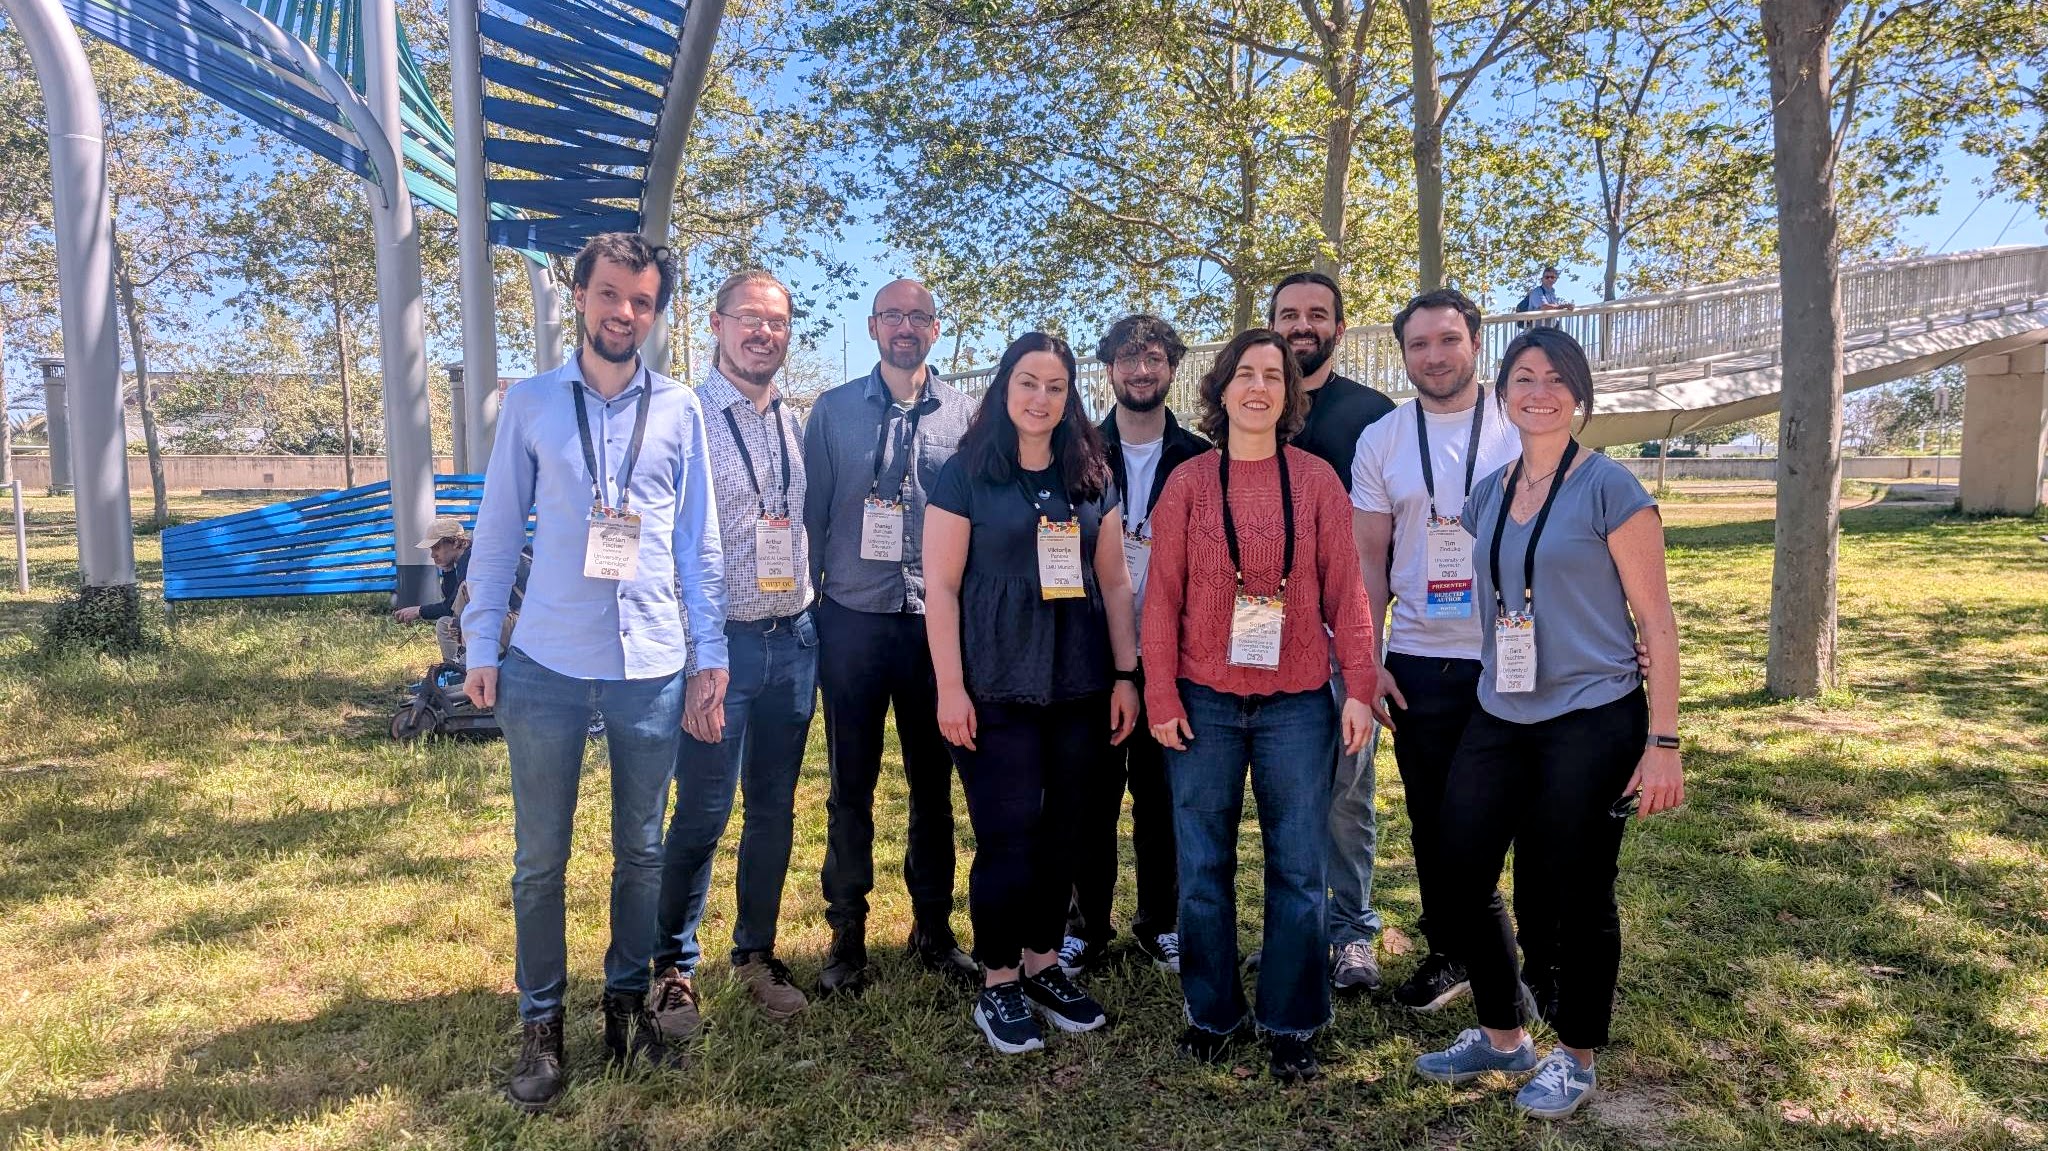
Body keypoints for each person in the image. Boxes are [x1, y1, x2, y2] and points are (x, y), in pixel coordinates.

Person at [461, 233, 726, 1112]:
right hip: (547, 663)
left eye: (642, 301)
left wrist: (709, 656)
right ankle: (542, 1021)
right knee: (540, 859)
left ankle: (624, 1003)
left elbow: (700, 547)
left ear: (656, 312)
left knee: (641, 851)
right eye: (610, 294)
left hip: (650, 662)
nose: (624, 313)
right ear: (581, 296)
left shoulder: (681, 407)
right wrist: (480, 645)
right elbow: (497, 532)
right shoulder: (532, 404)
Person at [1412, 327, 1683, 1119]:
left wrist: (1662, 742)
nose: (1538, 390)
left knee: (1575, 891)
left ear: (1579, 395)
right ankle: (1504, 1036)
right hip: (1501, 708)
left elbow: (1658, 623)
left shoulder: (1611, 488)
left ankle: (1577, 1053)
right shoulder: (1488, 492)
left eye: (1555, 378)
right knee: (1456, 872)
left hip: (1592, 716)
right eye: (1523, 376)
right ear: (1503, 394)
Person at [1144, 329, 1376, 1084]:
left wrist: (1362, 688)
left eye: (1273, 375)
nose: (1258, 386)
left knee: (1300, 869)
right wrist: (1160, 691)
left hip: (1297, 703)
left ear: (1289, 394)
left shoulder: (1314, 481)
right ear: (1222, 388)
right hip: (1203, 701)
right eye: (1245, 373)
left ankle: (1291, 1018)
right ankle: (1212, 1012)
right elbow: (1162, 599)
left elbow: (1349, 592)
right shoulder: (1186, 481)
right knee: (1203, 867)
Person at [924, 331, 1141, 1054]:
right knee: (1008, 835)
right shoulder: (966, 474)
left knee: (1066, 833)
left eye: (1054, 385)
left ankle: (1046, 961)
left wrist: (1125, 674)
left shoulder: (1092, 473)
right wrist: (950, 689)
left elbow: (1112, 580)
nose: (1040, 398)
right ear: (1003, 387)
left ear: (1070, 393)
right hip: (993, 683)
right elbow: (943, 589)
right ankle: (999, 979)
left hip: (1078, 681)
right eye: (1027, 382)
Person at [649, 269, 816, 1044]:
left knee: (774, 809)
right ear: (715, 324)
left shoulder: (794, 417)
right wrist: (696, 660)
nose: (762, 332)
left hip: (795, 640)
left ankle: (755, 953)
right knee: (705, 811)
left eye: (776, 322)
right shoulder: (683, 414)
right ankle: (670, 966)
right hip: (721, 647)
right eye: (748, 318)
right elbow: (672, 547)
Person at [802, 279, 979, 995]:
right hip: (851, 617)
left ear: (936, 330)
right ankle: (847, 933)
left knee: (934, 786)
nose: (906, 326)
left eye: (919, 316)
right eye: (894, 315)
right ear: (874, 325)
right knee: (851, 785)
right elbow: (811, 516)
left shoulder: (966, 414)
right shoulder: (833, 412)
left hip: (934, 624)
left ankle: (933, 927)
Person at [1351, 289, 1524, 1013]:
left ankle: (1527, 958)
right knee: (1432, 816)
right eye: (1419, 344)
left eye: (1448, 339)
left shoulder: (1521, 422)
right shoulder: (1382, 439)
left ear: (1475, 342)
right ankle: (1450, 950)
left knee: (1515, 814)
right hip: (1420, 657)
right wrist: (1368, 658)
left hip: (1514, 653)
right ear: (1404, 354)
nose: (1434, 355)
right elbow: (1367, 559)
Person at [1060, 314, 1210, 978]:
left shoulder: (1203, 456)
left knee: (1165, 796)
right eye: (1128, 359)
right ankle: (1084, 925)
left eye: (1154, 357)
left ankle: (1163, 922)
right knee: (1089, 796)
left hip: (1178, 653)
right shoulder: (1078, 452)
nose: (1142, 370)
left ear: (1172, 367)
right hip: (1096, 651)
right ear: (1108, 370)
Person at [1268, 270, 1396, 992]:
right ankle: (1295, 924)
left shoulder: (1374, 416)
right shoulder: (1254, 406)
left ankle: (1351, 932)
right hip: (1260, 637)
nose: (1302, 325)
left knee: (1348, 789)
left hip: (1345, 628)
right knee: (1286, 789)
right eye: (1289, 314)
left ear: (1339, 328)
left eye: (1317, 314)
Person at [394, 515, 472, 664]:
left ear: (455, 542)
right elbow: (453, 604)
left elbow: (450, 608)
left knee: (445, 625)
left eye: (436, 547)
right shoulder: (465, 559)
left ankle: (458, 671)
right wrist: (448, 570)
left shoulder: (470, 563)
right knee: (444, 622)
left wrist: (418, 611)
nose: (432, 555)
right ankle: (457, 668)